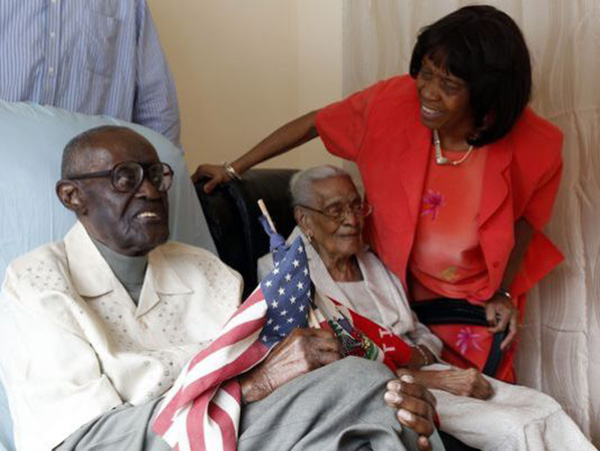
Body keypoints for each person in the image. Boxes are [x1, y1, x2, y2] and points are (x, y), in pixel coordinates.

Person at [0, 126, 443, 451]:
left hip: (240, 433)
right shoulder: (37, 283)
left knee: (384, 405)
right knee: (362, 388)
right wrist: (252, 387)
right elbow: (84, 441)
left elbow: (286, 375)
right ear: (72, 196)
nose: (151, 191)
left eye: (157, 175)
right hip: (158, 441)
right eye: (126, 177)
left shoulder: (207, 271)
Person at [195, 5, 564, 382]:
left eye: (449, 86)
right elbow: (315, 124)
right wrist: (233, 168)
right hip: (392, 296)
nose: (429, 92)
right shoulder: (393, 104)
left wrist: (503, 293)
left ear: (487, 96)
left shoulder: (536, 146)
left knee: (485, 402)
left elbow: (524, 222)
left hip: (471, 310)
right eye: (426, 72)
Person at [257, 165, 595, 451]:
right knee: (515, 425)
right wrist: (437, 381)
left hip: (424, 370)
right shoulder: (283, 276)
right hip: (388, 393)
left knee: (544, 408)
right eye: (335, 211)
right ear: (304, 218)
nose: (352, 220)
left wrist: (422, 355)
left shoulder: (371, 262)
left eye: (356, 207)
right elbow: (327, 374)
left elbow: (417, 331)